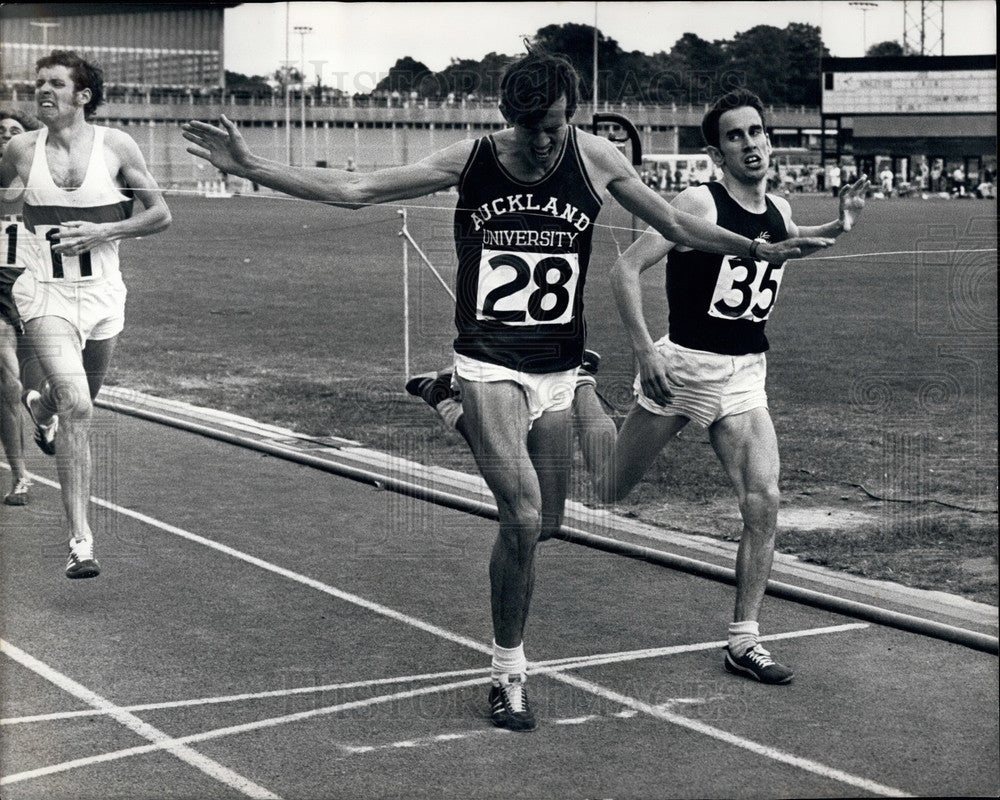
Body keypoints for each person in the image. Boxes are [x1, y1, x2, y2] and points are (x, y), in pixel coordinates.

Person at [182, 53, 832, 731]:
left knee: (549, 522)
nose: (544, 140)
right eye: (531, 126)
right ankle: (508, 671)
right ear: (509, 117)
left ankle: (446, 401)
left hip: (559, 367)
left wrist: (756, 250)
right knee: (519, 518)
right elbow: (358, 191)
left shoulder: (598, 157)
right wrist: (252, 167)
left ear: (571, 114)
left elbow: (674, 225)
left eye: (554, 125)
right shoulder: (476, 157)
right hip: (491, 360)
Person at [569, 90, 870, 685]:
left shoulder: (778, 209)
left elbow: (788, 243)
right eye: (736, 136)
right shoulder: (697, 203)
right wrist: (643, 348)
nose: (752, 144)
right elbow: (624, 269)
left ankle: (744, 639)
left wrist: (841, 222)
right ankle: (582, 382)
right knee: (606, 489)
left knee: (764, 500)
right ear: (716, 151)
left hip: (743, 376)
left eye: (757, 132)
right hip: (682, 369)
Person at [0, 51, 171, 577]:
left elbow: (160, 215)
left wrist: (104, 232)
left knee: (72, 399)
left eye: (55, 84)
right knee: (80, 405)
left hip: (103, 296)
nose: (42, 91)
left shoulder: (117, 146)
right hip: (44, 295)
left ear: (83, 95)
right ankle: (81, 541)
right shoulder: (20, 150)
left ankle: (40, 407)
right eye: (38, 84)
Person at [0, 110, 38, 505]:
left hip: (39, 284)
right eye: (1, 132)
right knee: (7, 384)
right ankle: (21, 475)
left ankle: (45, 420)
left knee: (37, 386)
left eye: (15, 132)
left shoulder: (41, 181)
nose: (7, 137)